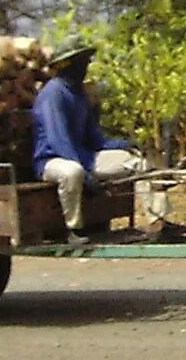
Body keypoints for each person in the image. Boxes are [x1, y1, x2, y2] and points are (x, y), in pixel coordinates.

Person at [31, 35, 145, 245]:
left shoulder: (79, 94)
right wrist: (84, 172)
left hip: (83, 157)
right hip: (52, 160)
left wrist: (123, 145)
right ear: (68, 64)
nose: (86, 66)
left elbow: (94, 138)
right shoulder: (53, 93)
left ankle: (158, 218)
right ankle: (73, 229)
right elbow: (59, 140)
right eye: (82, 61)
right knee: (72, 172)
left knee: (137, 162)